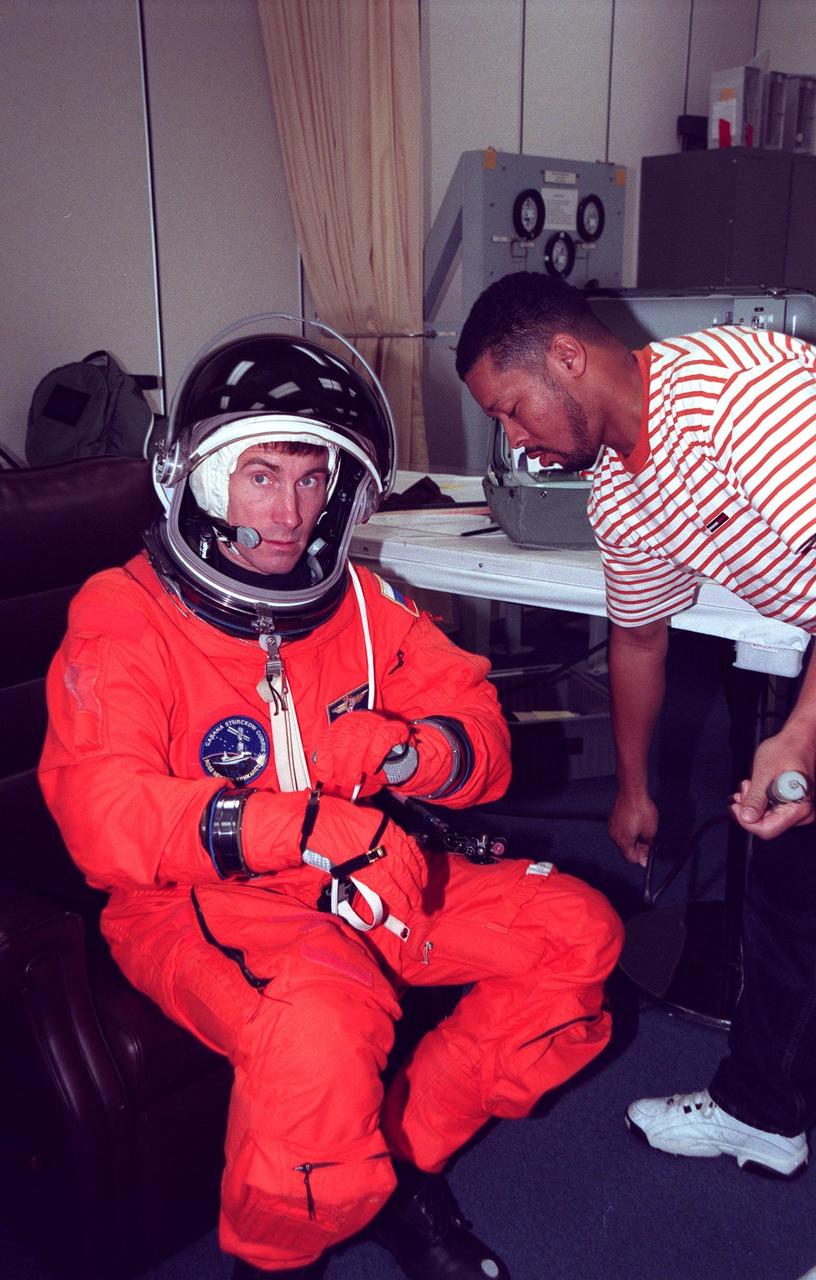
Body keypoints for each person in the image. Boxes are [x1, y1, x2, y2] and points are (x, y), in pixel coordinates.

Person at [39, 321, 623, 1280]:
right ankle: (274, 1260)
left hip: (359, 872)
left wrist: (413, 754)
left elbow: (480, 732)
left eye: (313, 480)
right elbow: (103, 815)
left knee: (575, 935)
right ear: (201, 479)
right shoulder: (124, 614)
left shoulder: (361, 602)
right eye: (261, 476)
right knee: (323, 1022)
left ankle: (400, 1167)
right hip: (194, 901)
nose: (289, 514)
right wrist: (300, 825)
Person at [456, 271, 816, 1181]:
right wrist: (632, 788)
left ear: (567, 358)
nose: (514, 438)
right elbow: (640, 638)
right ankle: (764, 1112)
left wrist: (802, 734)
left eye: (513, 409)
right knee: (790, 886)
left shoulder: (737, 398)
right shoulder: (621, 490)